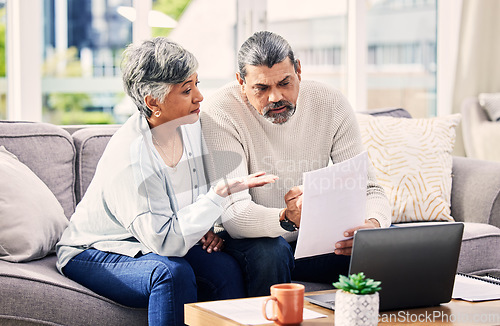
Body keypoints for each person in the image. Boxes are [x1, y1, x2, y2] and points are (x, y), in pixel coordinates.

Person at [55, 37, 277, 326]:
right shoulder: (130, 156)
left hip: (152, 239)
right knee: (171, 273)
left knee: (225, 269)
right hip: (97, 249)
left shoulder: (190, 126)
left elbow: (185, 208)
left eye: (196, 84)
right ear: (153, 102)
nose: (199, 96)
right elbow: (165, 241)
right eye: (187, 90)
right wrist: (217, 195)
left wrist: (202, 229)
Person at [200, 31, 391, 296]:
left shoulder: (330, 102)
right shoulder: (219, 111)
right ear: (241, 83)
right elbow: (235, 215)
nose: (275, 97)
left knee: (382, 246)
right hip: (250, 238)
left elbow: (370, 190)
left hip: (315, 239)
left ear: (298, 70)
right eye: (262, 88)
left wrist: (372, 226)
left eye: (284, 83)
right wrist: (288, 217)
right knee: (272, 252)